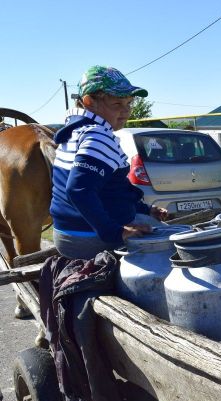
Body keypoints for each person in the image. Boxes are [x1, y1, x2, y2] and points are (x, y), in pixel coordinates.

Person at [50, 66, 168, 259]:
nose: (126, 111)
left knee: (151, 222)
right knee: (171, 242)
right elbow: (78, 191)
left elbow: (111, 191)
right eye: (117, 104)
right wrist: (117, 233)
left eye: (129, 103)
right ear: (89, 102)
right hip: (89, 236)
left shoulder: (75, 131)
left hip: (69, 232)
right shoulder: (98, 135)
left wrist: (146, 209)